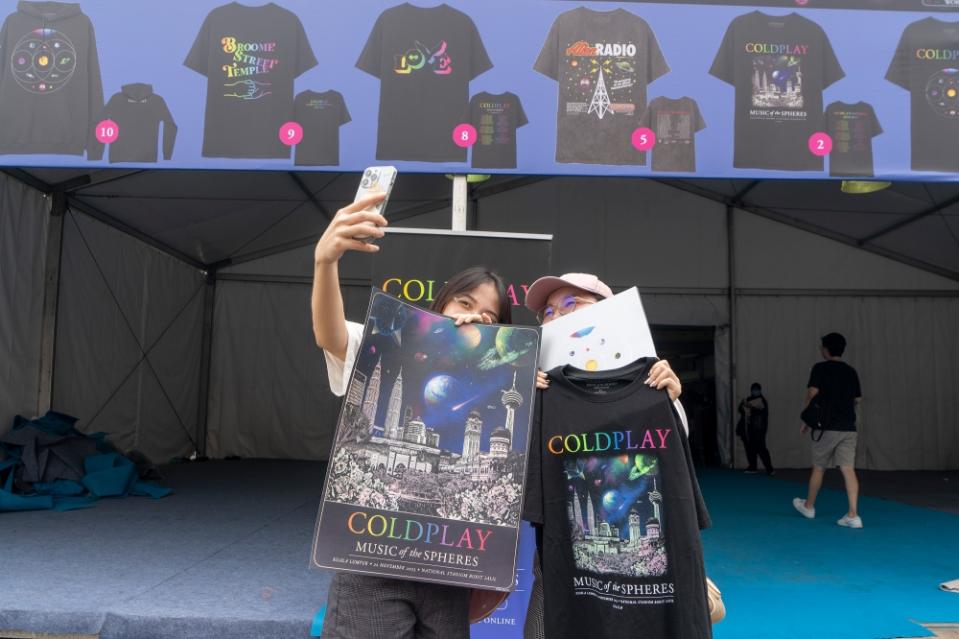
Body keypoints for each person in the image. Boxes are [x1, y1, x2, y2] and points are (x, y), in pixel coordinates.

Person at [312, 191, 512, 638]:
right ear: (442, 304)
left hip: (448, 572)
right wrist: (325, 263)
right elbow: (330, 334)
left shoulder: (498, 388)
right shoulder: (386, 351)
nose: (474, 317)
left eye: (490, 314)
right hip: (370, 564)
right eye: (465, 302)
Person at [521, 273, 690, 639]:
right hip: (559, 567)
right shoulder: (537, 388)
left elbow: (674, 461)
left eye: (570, 304)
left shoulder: (651, 381)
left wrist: (669, 401)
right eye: (547, 312)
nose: (556, 317)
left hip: (642, 580)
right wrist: (520, 400)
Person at [793, 332, 863, 529]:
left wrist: (807, 417)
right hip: (849, 427)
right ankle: (853, 515)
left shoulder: (820, 369)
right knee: (848, 469)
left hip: (826, 426)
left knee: (819, 467)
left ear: (825, 349)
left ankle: (809, 506)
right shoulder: (851, 371)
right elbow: (857, 399)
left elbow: (812, 392)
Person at [737, 382, 773, 475]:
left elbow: (760, 412)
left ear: (760, 390)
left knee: (761, 449)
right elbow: (740, 409)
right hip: (748, 429)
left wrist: (750, 407)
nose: (755, 391)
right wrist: (745, 406)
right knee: (750, 449)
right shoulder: (748, 399)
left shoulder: (762, 401)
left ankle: (770, 469)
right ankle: (752, 467)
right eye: (753, 389)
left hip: (759, 429)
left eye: (756, 389)